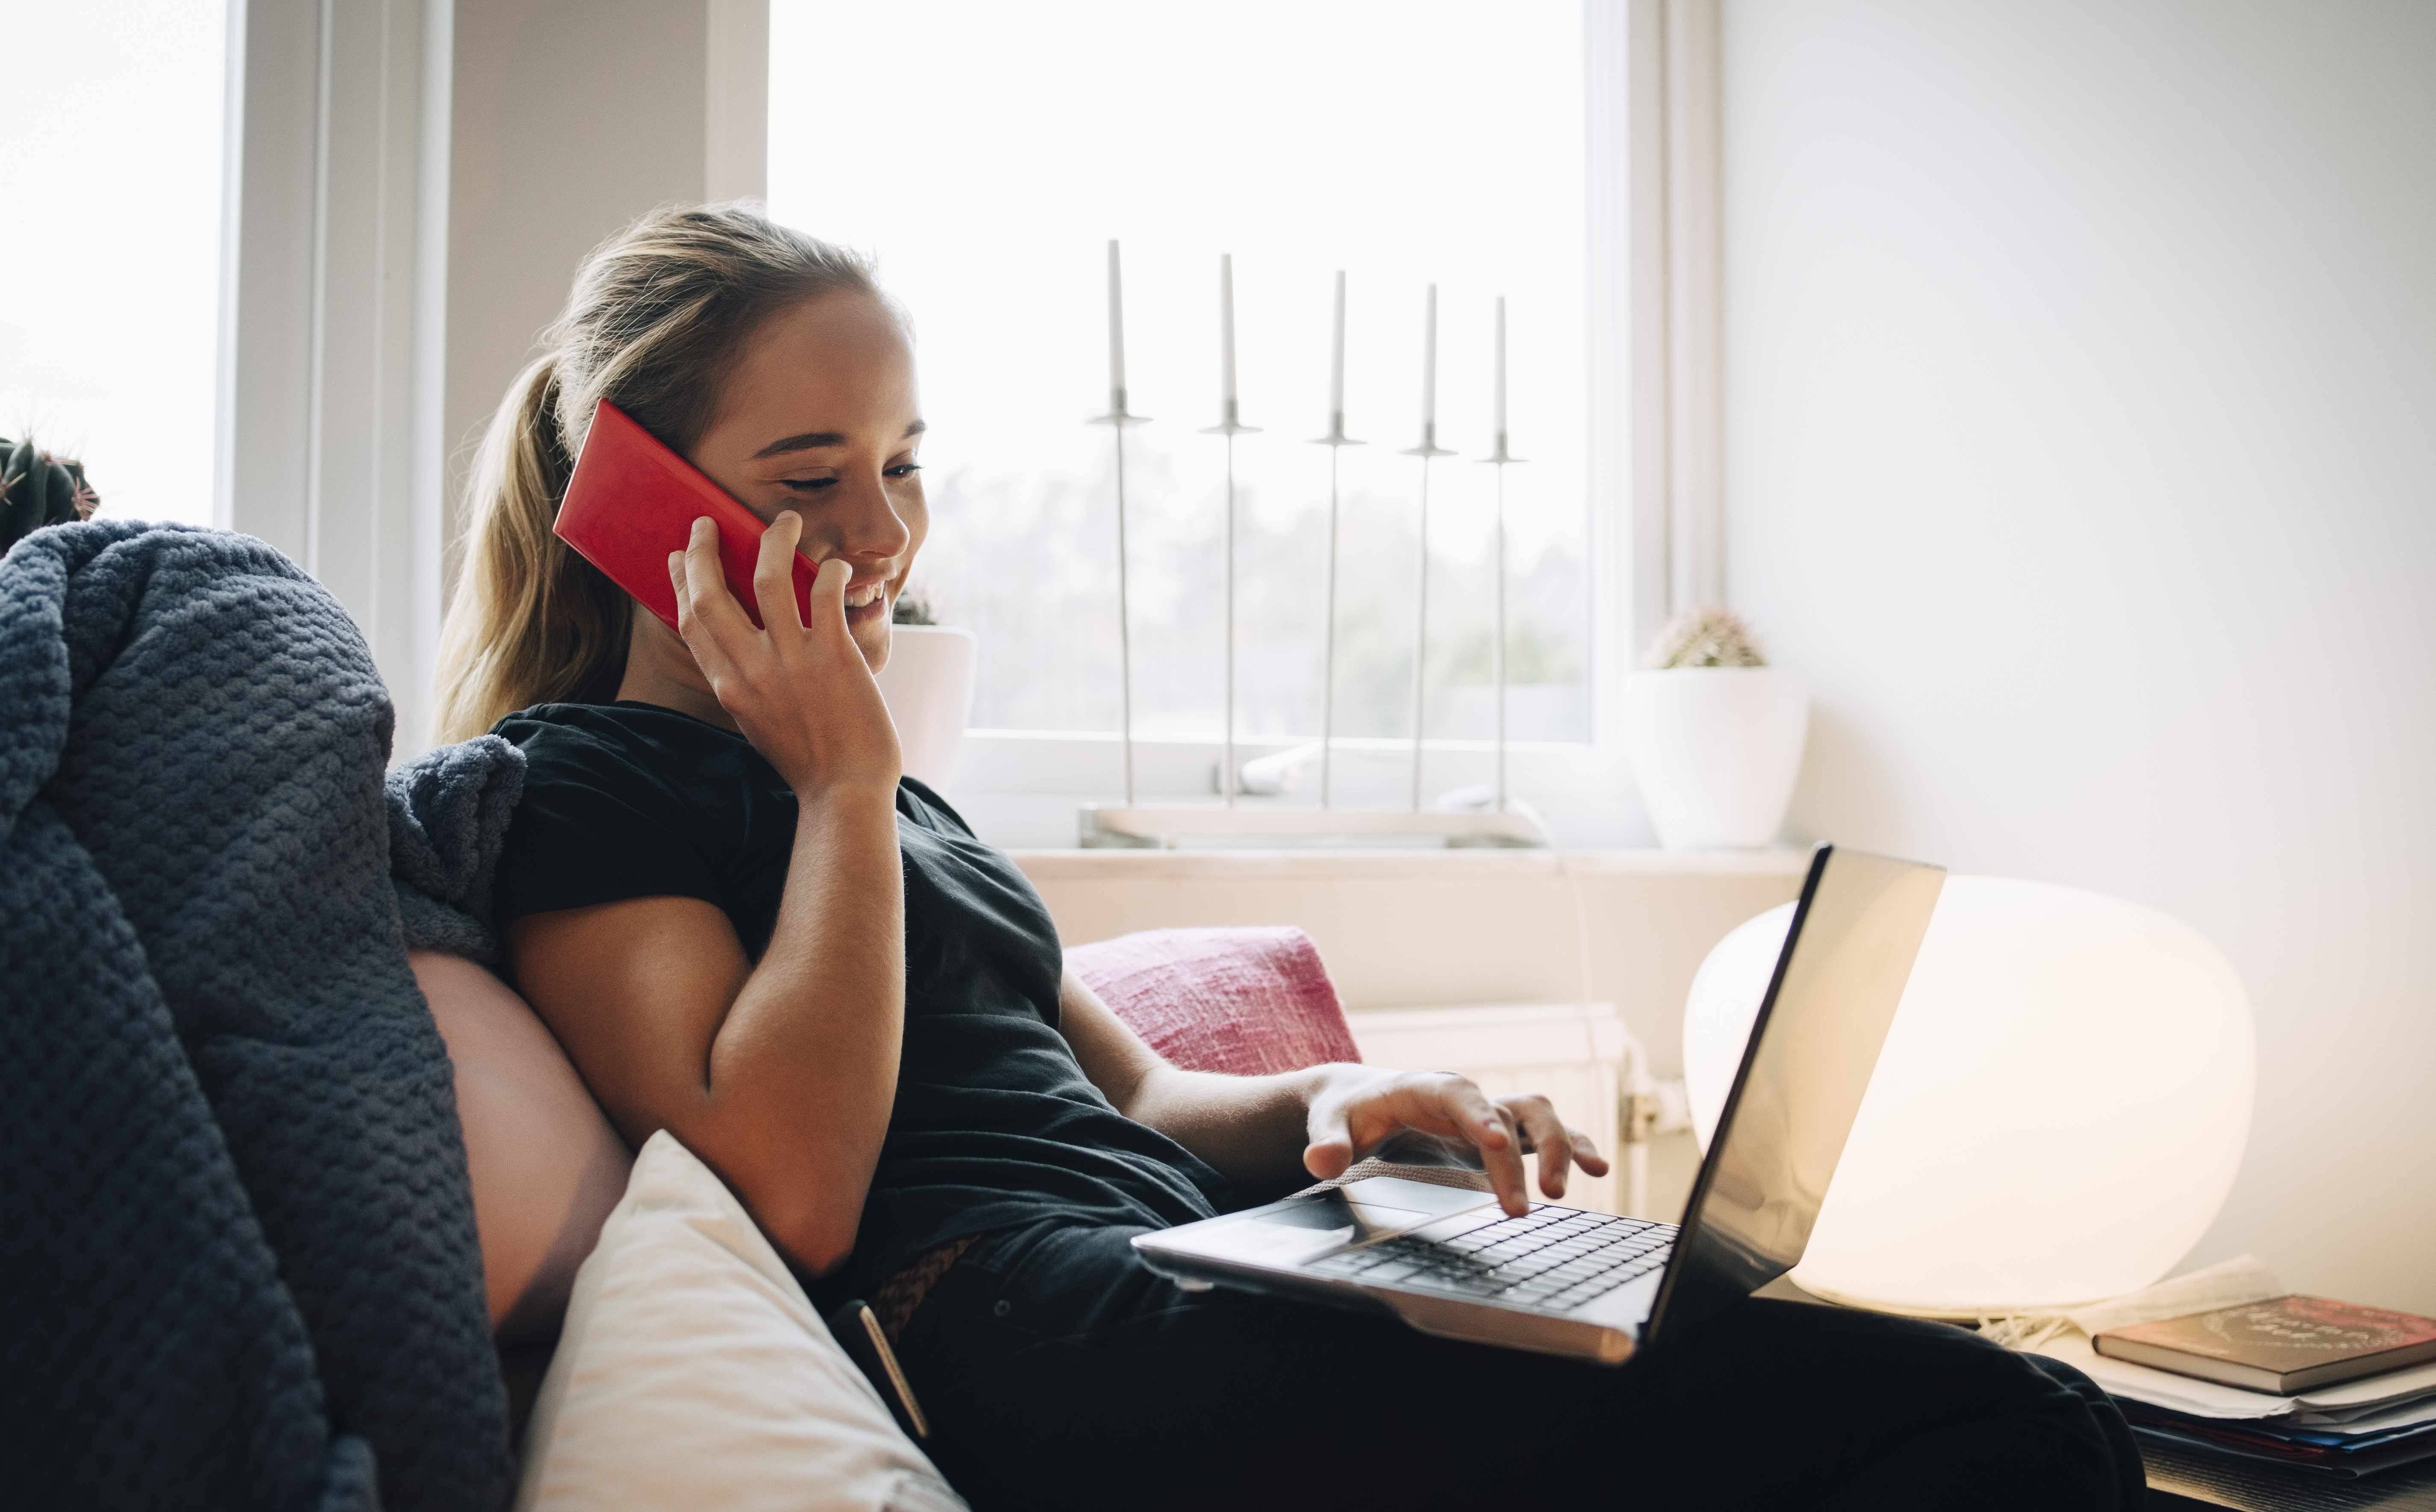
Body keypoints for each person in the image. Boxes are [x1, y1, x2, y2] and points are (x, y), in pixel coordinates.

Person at [439, 204, 2145, 1511]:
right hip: (1005, 1327)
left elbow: (1144, 1102)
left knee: (2000, 1402)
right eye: (811, 478)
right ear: (634, 502)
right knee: (1982, 1433)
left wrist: (1341, 1095)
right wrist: (839, 788)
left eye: (902, 466)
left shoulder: (891, 807)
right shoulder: (590, 781)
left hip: (1171, 1261)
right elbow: (783, 1192)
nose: (886, 535)